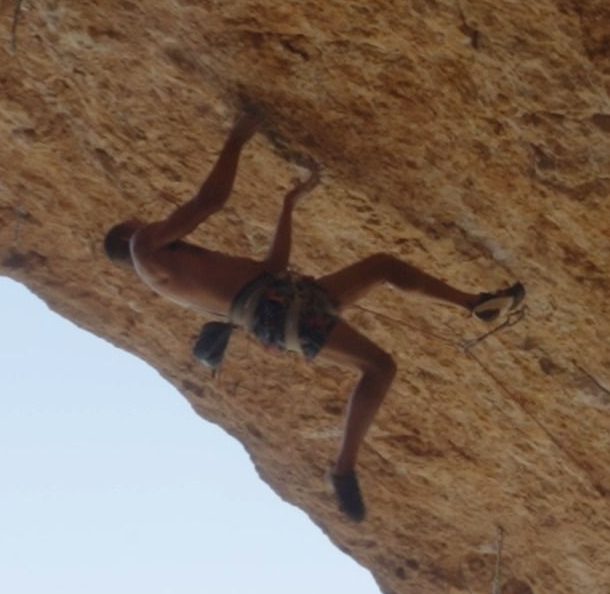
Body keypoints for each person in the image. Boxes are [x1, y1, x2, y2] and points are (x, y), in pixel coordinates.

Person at [103, 108, 524, 522]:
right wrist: (236, 139)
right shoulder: (143, 246)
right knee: (379, 367)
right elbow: (209, 201)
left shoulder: (180, 271)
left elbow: (271, 269)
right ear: (128, 234)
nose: (149, 219)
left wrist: (289, 205)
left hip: (281, 301)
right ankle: (342, 467)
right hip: (277, 309)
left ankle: (475, 304)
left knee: (383, 266)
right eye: (138, 221)